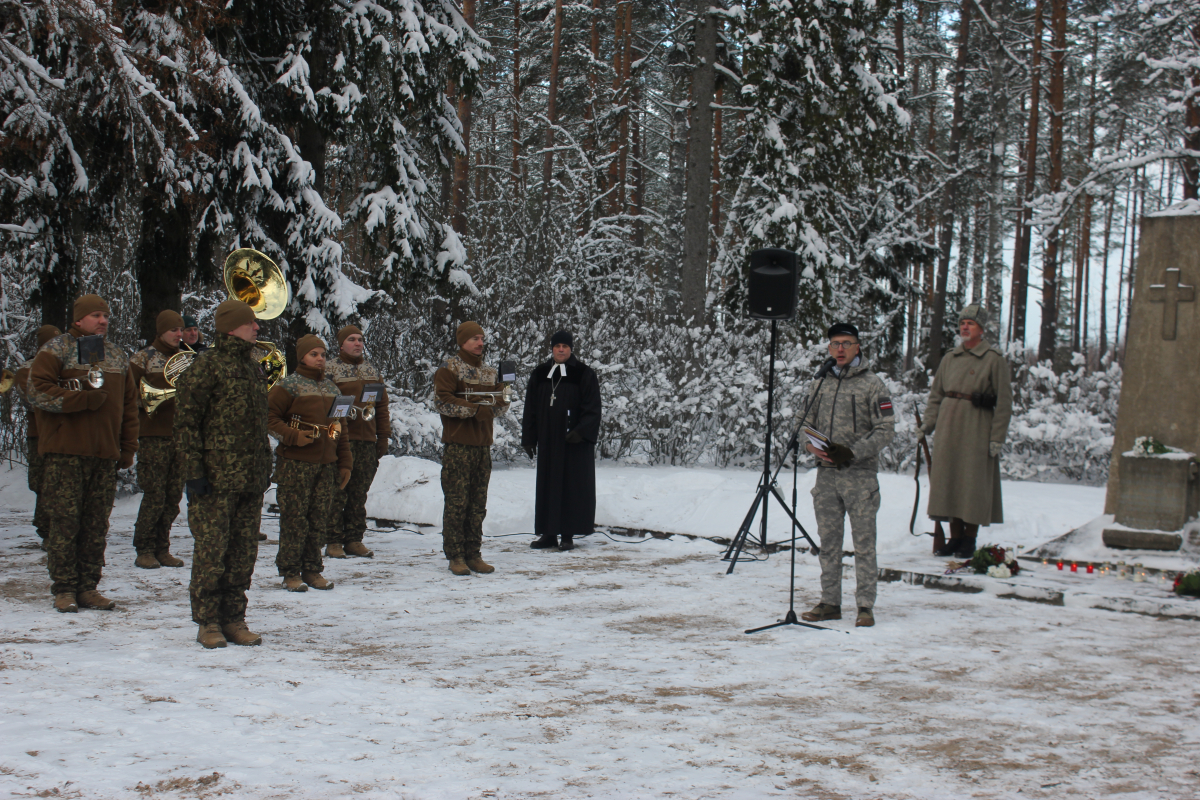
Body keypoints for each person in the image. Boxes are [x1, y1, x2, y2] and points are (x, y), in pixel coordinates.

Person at [28, 295, 138, 613]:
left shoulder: (116, 356)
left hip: (104, 454)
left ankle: (88, 587)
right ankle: (64, 588)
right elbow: (37, 391)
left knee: (95, 525)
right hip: (65, 453)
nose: (103, 320)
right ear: (78, 320)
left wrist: (128, 447)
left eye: (105, 315)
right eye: (95, 315)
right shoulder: (57, 349)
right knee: (65, 523)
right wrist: (80, 400)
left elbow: (130, 407)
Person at [174, 298, 272, 648]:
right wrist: (193, 471)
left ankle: (234, 618)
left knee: (243, 552)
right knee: (212, 552)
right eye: (250, 323)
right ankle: (208, 622)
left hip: (250, 477)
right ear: (231, 327)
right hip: (215, 479)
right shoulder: (207, 366)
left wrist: (265, 464)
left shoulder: (253, 366)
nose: (257, 328)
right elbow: (186, 423)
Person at [799, 323, 895, 628]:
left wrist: (853, 452)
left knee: (864, 543)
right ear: (828, 349)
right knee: (828, 542)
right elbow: (803, 423)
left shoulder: (873, 385)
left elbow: (886, 429)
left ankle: (865, 605)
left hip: (860, 476)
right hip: (826, 476)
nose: (839, 349)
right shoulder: (820, 383)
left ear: (857, 347)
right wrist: (812, 445)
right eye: (834, 344)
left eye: (846, 343)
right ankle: (830, 602)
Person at [920, 303, 1013, 559]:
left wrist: (996, 438)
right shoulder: (950, 358)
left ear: (981, 329)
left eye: (970, 323)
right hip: (949, 427)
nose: (964, 327)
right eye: (962, 323)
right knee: (949, 481)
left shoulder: (993, 360)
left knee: (972, 484)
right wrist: (928, 424)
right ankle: (955, 538)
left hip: (977, 427)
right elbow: (936, 395)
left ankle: (969, 540)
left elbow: (1004, 402)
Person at [267, 335, 352, 592]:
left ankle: (313, 569)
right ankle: (291, 572)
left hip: (326, 465)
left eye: (323, 355)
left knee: (318, 519)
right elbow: (268, 418)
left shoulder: (332, 388)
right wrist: (293, 436)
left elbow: (341, 427)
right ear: (302, 357)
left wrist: (345, 462)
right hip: (295, 464)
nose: (320, 359)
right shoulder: (288, 386)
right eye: (314, 354)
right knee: (294, 519)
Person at [433, 321, 510, 575]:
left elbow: (499, 408)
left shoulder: (489, 373)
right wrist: (475, 408)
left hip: (482, 447)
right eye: (475, 338)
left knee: (478, 503)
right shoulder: (449, 368)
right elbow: (443, 402)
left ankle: (473, 553)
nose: (480, 343)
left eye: (482, 338)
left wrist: (504, 393)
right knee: (457, 503)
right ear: (462, 341)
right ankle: (455, 555)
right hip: (458, 447)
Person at [520, 330, 602, 551]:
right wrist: (529, 437)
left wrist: (580, 431)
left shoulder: (584, 373)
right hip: (548, 441)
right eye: (557, 346)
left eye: (565, 346)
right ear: (552, 348)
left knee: (570, 486)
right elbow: (531, 407)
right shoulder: (540, 373)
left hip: (572, 441)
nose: (561, 349)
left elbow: (593, 408)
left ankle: (567, 535)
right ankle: (548, 534)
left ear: (571, 348)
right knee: (548, 485)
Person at [127, 310, 188, 569]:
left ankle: (162, 547)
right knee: (154, 494)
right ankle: (144, 548)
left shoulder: (186, 358)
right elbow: (129, 396)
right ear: (161, 331)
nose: (179, 334)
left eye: (180, 329)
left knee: (172, 496)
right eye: (173, 330)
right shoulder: (142, 358)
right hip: (153, 436)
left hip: (180, 435)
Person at [325, 324, 391, 559]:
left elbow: (381, 407)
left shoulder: (372, 371)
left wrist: (382, 437)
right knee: (338, 490)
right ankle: (333, 540)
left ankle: (354, 539)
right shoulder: (330, 369)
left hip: (366, 441)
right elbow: (322, 403)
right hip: (341, 440)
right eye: (351, 339)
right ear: (341, 344)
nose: (357, 343)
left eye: (360, 339)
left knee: (359, 493)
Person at [13, 325, 62, 547]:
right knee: (42, 482)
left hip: (63, 432)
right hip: (39, 434)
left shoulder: (64, 364)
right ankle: (46, 529)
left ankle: (59, 527)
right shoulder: (27, 369)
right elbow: (34, 400)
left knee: (61, 481)